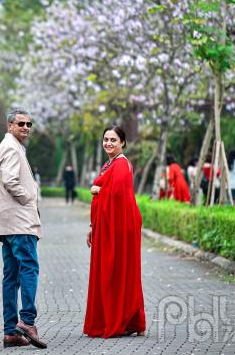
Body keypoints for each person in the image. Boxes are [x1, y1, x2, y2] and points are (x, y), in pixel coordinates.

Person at [84, 126, 146, 338]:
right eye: (105, 139)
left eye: (113, 140)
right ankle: (117, 319)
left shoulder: (121, 164)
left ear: (122, 143)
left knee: (117, 272)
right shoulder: (108, 164)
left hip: (120, 229)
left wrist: (97, 190)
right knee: (110, 273)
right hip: (107, 226)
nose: (108, 143)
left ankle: (122, 320)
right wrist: (93, 227)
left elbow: (117, 195)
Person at [0, 108, 46, 349]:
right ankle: (27, 321)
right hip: (20, 222)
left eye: (29, 124)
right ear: (9, 126)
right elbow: (10, 180)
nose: (26, 127)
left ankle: (10, 332)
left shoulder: (11, 146)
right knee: (29, 269)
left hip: (8, 223)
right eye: (21, 123)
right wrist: (28, 198)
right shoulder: (12, 147)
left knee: (11, 276)